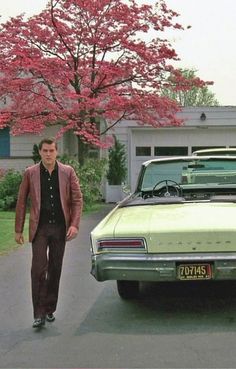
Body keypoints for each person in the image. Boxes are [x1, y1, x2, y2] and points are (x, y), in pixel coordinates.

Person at [15, 137, 83, 328]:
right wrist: (18, 229)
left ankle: (49, 308)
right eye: (44, 151)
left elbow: (77, 200)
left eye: (51, 150)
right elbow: (21, 202)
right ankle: (38, 314)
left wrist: (75, 224)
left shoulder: (67, 172)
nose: (48, 154)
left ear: (56, 152)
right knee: (37, 270)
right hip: (40, 229)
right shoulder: (30, 173)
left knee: (55, 269)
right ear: (40, 152)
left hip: (60, 228)